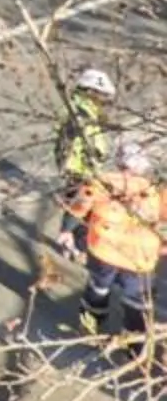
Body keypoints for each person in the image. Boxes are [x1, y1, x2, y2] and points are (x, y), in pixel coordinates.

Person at [72, 139, 163, 334]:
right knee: (137, 303)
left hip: (104, 252)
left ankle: (89, 327)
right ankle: (133, 347)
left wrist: (68, 231)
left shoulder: (101, 182)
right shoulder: (155, 192)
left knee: (98, 289)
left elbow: (78, 208)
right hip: (140, 260)